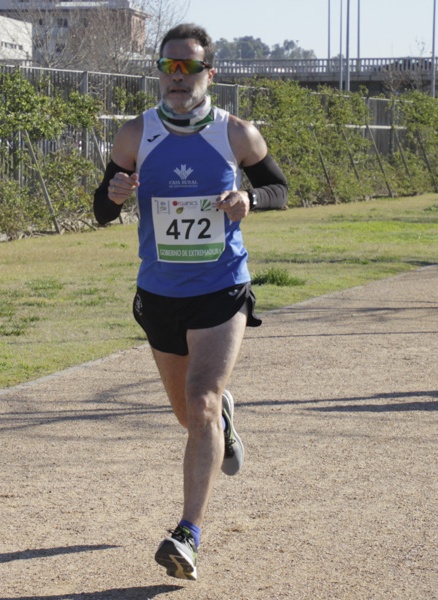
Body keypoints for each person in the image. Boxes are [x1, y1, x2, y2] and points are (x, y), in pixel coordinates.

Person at [92, 23, 287, 581]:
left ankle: (188, 533)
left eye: (189, 67)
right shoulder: (134, 136)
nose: (178, 78)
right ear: (159, 71)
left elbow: (280, 188)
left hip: (221, 288)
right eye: (169, 67)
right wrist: (112, 195)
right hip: (158, 294)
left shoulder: (236, 134)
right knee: (189, 416)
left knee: (199, 399)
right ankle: (224, 415)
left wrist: (250, 197)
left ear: (209, 72)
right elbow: (103, 211)